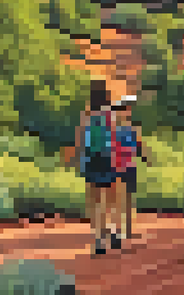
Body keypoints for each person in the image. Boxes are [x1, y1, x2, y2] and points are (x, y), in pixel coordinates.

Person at [76, 78, 121, 256]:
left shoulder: (86, 114)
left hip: (91, 158)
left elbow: (80, 140)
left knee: (94, 201)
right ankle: (111, 228)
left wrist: (81, 160)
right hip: (108, 158)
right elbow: (115, 138)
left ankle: (98, 239)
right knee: (109, 198)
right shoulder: (110, 113)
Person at [110, 94, 150, 245]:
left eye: (127, 109)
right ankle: (116, 229)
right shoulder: (113, 129)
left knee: (127, 199)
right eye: (123, 109)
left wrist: (144, 158)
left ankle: (127, 230)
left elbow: (138, 146)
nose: (127, 111)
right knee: (116, 199)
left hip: (129, 166)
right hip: (115, 166)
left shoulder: (133, 128)